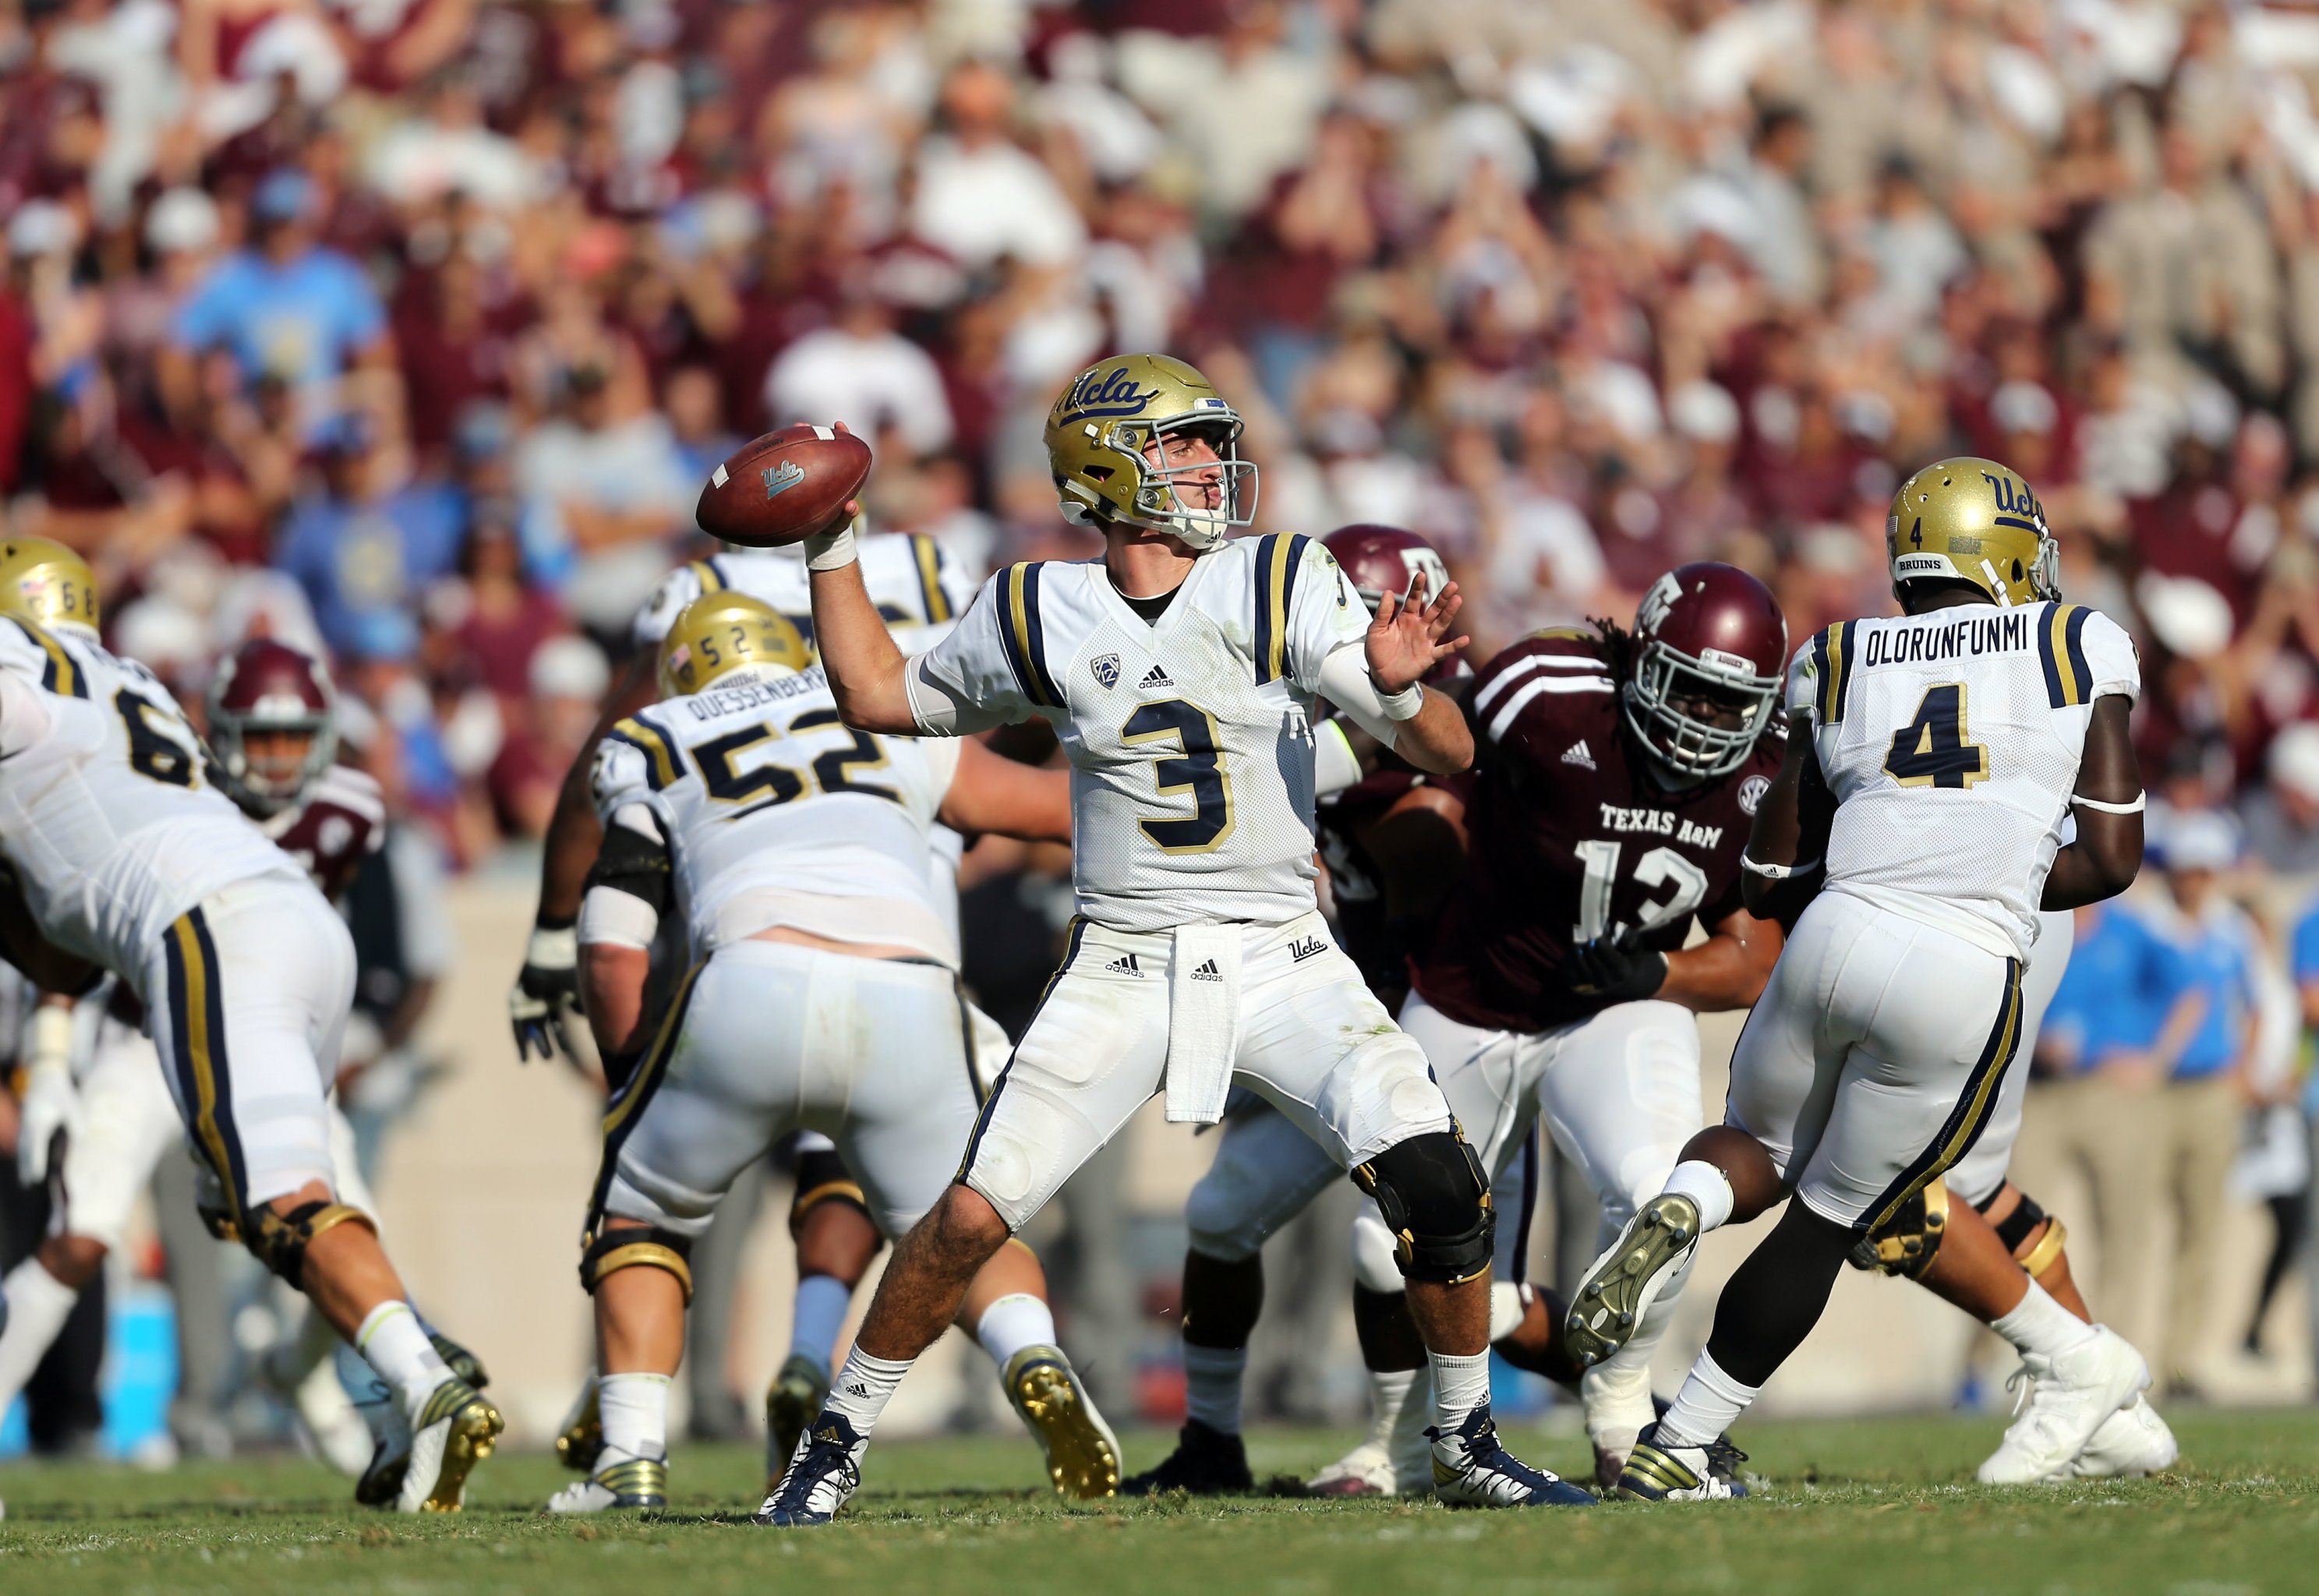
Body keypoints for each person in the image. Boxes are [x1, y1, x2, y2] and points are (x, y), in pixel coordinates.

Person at [764, 353, 1594, 1524]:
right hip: (1121, 956)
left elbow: (1450, 757)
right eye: (1182, 446)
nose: (1211, 465)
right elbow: (878, 694)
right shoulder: (1035, 608)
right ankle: (831, 1447)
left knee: (1437, 1182)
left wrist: (1401, 694)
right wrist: (829, 547)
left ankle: (1462, 1440)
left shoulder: (1282, 580)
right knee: (964, 1217)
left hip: (1279, 950)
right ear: (1105, 469)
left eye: (1211, 442)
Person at [1131, 552, 1791, 1499]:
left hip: (1610, 1008)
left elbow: (1754, 951)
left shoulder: (1761, 776)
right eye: (1687, 692)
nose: (1704, 725)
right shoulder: (1543, 693)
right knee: (1379, 1242)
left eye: (1733, 705)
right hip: (1465, 997)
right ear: (1639, 663)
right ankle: (1401, 1443)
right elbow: (1439, 752)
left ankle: (1621, 1426)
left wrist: (1660, 968)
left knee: (1654, 1193)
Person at [1566, 457, 2153, 1500]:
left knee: (1754, 1145)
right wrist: (1986, 882)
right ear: (2006, 552)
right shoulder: (2077, 638)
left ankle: (1689, 1201)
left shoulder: (1835, 653)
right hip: (1968, 950)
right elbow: (2107, 860)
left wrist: (1865, 883)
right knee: (1838, 1217)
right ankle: (1688, 1435)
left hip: (1837, 928)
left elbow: (1763, 870)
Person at [548, 591, 1112, 1511]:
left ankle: (632, 1457)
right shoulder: (876, 711)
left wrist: (628, 1080)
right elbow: (1049, 811)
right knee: (954, 1225)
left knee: (643, 1212)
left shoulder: (648, 736)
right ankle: (1033, 1355)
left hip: (748, 977)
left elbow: (612, 943)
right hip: (908, 987)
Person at [0, 540, 497, 1513]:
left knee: (280, 1202)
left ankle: (419, 1383)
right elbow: (59, 930)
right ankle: (391, 1401)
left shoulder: (20, 671)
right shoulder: (124, 678)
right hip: (295, 926)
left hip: (201, 929)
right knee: (278, 1203)